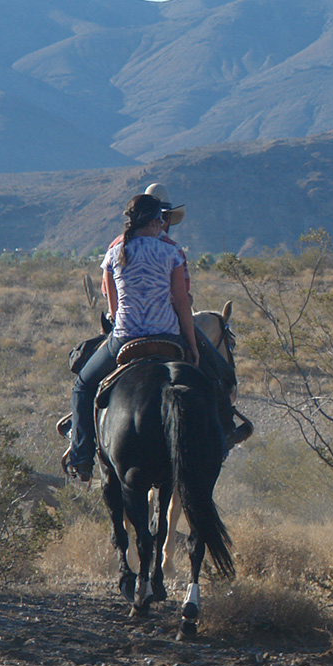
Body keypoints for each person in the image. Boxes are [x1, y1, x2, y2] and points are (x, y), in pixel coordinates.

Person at [65, 189, 203, 482]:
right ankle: (220, 432)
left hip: (125, 339)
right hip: (169, 336)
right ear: (155, 222)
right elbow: (181, 301)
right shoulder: (172, 253)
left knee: (82, 385)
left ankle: (81, 456)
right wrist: (191, 345)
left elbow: (113, 309)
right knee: (209, 380)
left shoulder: (114, 253)